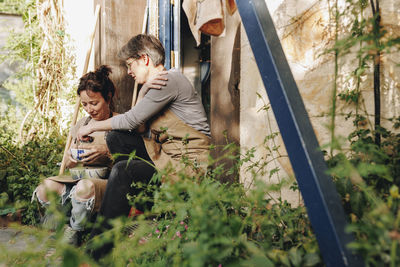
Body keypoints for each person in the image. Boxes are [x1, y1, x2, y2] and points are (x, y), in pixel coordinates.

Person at [78, 34, 211, 260]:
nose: (129, 71)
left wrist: (92, 127)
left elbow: (130, 121)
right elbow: (138, 129)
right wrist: (143, 89)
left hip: (187, 165)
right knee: (116, 139)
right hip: (168, 158)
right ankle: (137, 208)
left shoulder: (170, 80)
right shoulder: (156, 84)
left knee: (122, 169)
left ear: (145, 60)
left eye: (130, 65)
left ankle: (97, 253)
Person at [32, 65, 117, 245]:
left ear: (108, 98)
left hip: (105, 182)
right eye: (85, 104)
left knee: (84, 187)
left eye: (94, 103)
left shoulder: (120, 123)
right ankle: (59, 228)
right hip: (78, 178)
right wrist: (71, 159)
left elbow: (129, 163)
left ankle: (74, 233)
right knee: (45, 187)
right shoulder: (82, 123)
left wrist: (106, 152)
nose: (89, 109)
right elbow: (69, 164)